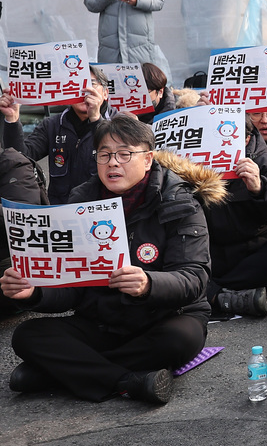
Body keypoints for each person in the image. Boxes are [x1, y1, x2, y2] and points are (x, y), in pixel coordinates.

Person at [3, 114, 218, 403]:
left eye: (124, 154)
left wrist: (148, 283)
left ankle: (58, 372)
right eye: (104, 154)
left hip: (165, 317)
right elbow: (72, 289)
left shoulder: (179, 201)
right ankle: (127, 381)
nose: (113, 162)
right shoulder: (81, 201)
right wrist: (34, 292)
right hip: (102, 319)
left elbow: (194, 277)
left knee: (180, 339)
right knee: (28, 336)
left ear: (148, 159)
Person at [205, 121, 267, 318]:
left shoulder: (265, 161)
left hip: (257, 250)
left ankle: (213, 295)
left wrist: (261, 187)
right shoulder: (188, 168)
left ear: (246, 139)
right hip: (212, 252)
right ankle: (219, 297)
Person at [1, 70, 111, 204]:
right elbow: (20, 159)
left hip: (100, 211)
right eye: (76, 85)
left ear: (105, 93)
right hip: (59, 211)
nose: (84, 91)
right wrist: (12, 118)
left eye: (91, 84)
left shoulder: (119, 124)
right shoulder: (52, 124)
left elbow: (114, 153)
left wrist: (95, 119)